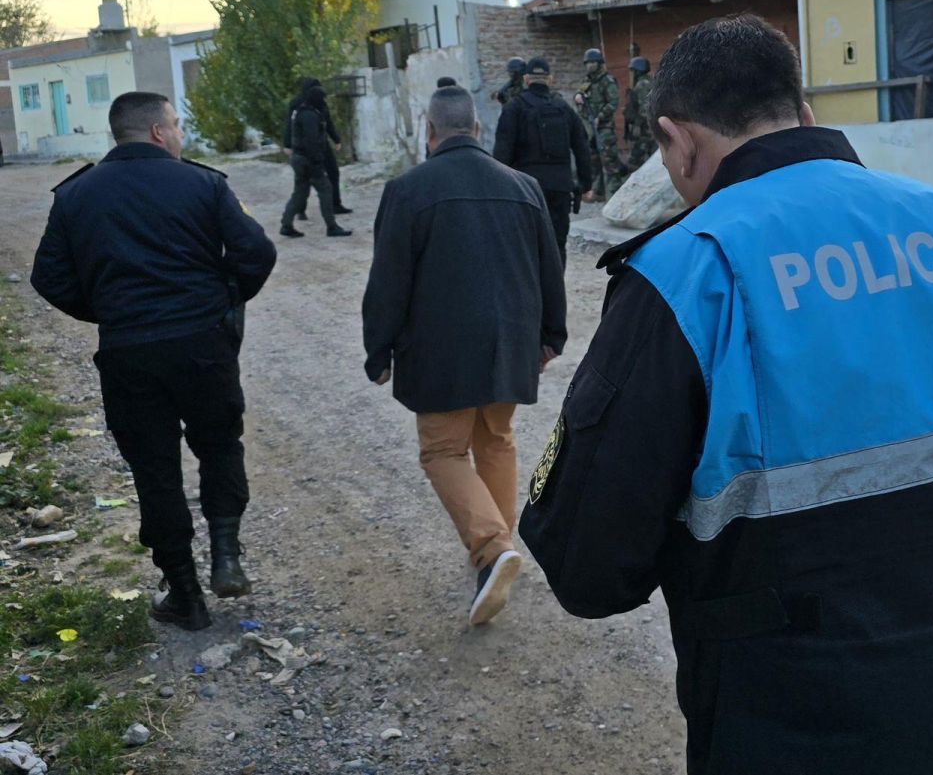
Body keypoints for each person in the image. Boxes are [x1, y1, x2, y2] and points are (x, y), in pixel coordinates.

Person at [520, 14, 933, 775]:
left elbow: (589, 565)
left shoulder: (693, 270)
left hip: (803, 724)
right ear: (806, 113)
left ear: (677, 141)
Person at [30, 92, 276, 631]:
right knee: (217, 444)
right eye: (178, 125)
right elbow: (257, 254)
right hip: (202, 344)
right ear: (160, 133)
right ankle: (227, 557)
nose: (182, 134)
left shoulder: (75, 195)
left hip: (128, 350)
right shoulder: (204, 184)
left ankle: (185, 596)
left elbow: (48, 277)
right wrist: (222, 301)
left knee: (154, 469)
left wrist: (108, 311)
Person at [362, 87, 567, 625]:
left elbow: (389, 281)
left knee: (443, 453)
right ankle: (496, 554)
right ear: (478, 129)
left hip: (442, 349)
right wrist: (551, 334)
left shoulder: (408, 190)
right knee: (495, 439)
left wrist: (377, 349)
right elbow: (550, 265)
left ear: (429, 132)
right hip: (511, 344)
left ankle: (492, 548)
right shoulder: (522, 186)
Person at [493, 57, 593, 269]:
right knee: (557, 245)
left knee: (528, 246)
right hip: (560, 189)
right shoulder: (564, 109)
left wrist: (500, 190)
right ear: (550, 79)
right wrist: (586, 184)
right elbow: (583, 148)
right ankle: (556, 297)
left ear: (527, 79)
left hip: (525, 190)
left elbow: (502, 152)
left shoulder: (514, 108)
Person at [280, 84, 352, 239]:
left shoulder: (301, 111)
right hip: (308, 160)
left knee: (300, 193)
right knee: (325, 190)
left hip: (299, 158)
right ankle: (332, 226)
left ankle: (286, 224)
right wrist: (317, 161)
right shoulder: (310, 116)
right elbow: (311, 140)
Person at [574, 47, 624, 201]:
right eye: (587, 63)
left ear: (599, 63)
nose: (589, 65)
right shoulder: (586, 81)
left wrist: (600, 116)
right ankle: (598, 192)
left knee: (609, 160)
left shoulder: (606, 80)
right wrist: (577, 98)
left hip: (604, 128)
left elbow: (613, 102)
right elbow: (580, 96)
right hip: (590, 128)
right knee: (594, 161)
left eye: (592, 62)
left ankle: (615, 194)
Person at [624, 55, 655, 170]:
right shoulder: (650, 81)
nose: (631, 74)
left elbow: (644, 109)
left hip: (645, 130)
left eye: (632, 71)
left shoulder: (642, 84)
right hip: (650, 128)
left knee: (635, 162)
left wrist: (636, 126)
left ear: (638, 70)